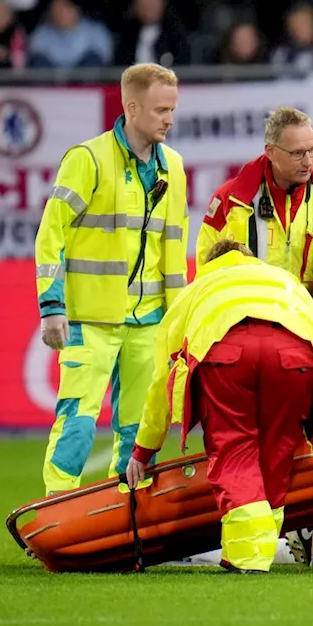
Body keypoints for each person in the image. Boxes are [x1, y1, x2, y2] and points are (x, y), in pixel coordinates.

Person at [125, 240, 313, 574]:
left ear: (210, 263)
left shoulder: (197, 290)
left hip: (225, 355)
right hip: (298, 359)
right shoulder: (283, 280)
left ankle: (248, 559)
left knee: (235, 452)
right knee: (278, 453)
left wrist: (142, 450)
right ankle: (261, 549)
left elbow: (161, 381)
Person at [35, 63, 190, 495]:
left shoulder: (173, 167)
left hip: (150, 322)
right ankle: (57, 507)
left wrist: (177, 322)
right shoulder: (87, 160)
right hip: (90, 320)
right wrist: (52, 307)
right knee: (78, 422)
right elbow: (50, 236)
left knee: (142, 433)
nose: (169, 119)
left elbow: (174, 249)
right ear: (132, 107)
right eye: (161, 109)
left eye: (172, 110)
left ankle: (129, 512)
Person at [197, 107, 313, 358]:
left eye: (312, 150)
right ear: (270, 151)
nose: (309, 161)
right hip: (244, 332)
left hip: (309, 331)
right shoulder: (232, 201)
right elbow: (207, 268)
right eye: (298, 153)